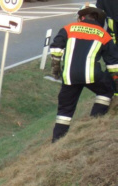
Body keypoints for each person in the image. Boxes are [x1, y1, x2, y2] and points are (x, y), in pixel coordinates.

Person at [50, 3, 118, 142]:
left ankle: (57, 141)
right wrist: (115, 81)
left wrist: (56, 69)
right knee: (106, 92)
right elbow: (113, 63)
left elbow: (56, 50)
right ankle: (94, 120)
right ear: (98, 17)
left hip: (69, 76)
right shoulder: (103, 34)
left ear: (81, 17)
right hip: (92, 76)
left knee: (64, 111)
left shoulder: (68, 28)